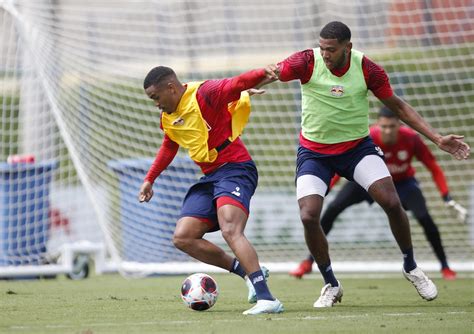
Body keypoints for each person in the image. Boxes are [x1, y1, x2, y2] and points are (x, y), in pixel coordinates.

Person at [260, 21, 470, 308]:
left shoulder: (368, 69)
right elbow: (271, 72)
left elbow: (397, 106)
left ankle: (411, 266)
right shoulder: (307, 61)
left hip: (357, 149)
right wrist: (243, 89)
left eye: (331, 50)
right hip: (314, 153)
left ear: (348, 47)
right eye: (322, 48)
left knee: (392, 201)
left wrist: (435, 137)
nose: (325, 54)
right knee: (309, 215)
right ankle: (331, 284)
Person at [138, 66, 284, 315]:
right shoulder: (168, 117)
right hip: (210, 176)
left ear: (171, 88)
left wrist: (265, 72)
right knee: (183, 237)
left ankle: (267, 298)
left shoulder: (205, 93)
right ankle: (245, 273)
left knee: (230, 229)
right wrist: (150, 178)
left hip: (236, 168)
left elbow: (237, 83)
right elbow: (169, 146)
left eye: (156, 97)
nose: (156, 104)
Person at [290, 108, 468, 281]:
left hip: (403, 184)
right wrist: (323, 189)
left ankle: (444, 266)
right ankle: (308, 262)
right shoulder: (368, 138)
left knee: (424, 217)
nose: (388, 131)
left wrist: (446, 196)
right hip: (363, 182)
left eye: (392, 126)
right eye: (384, 127)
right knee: (332, 209)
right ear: (377, 125)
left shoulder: (412, 139)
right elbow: (339, 167)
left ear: (399, 125)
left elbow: (433, 166)